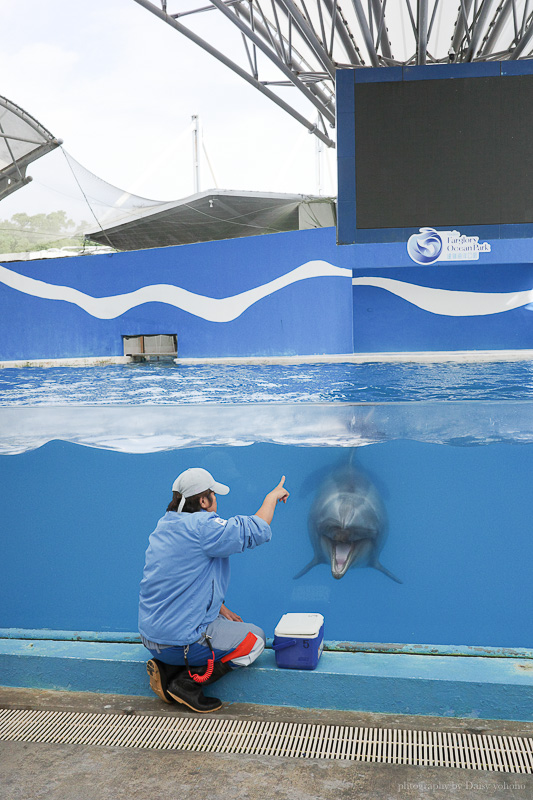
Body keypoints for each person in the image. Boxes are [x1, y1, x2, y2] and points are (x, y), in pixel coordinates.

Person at [138, 466, 289, 713]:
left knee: (220, 626)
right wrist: (272, 497)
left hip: (150, 639)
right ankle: (186, 683)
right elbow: (253, 530)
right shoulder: (203, 526)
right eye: (214, 495)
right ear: (204, 500)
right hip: (181, 644)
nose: (216, 500)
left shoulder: (164, 526)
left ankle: (167, 669)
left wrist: (220, 608)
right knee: (254, 639)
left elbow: (179, 580)